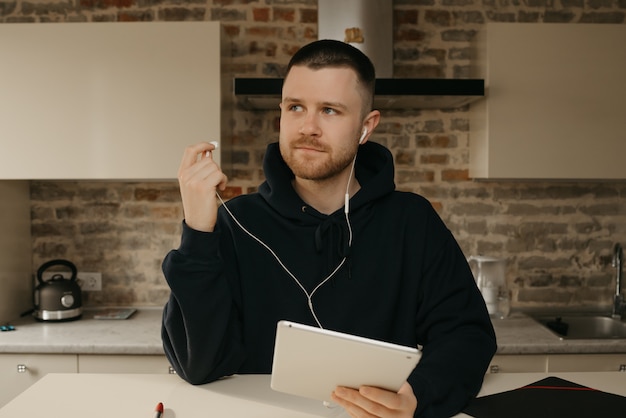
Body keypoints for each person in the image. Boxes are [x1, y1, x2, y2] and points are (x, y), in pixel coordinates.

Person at [161, 39, 497, 418]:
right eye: (296, 107)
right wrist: (198, 232)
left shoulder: (412, 221)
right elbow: (198, 364)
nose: (308, 127)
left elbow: (467, 336)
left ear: (366, 127)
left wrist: (417, 397)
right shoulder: (236, 222)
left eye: (331, 111)